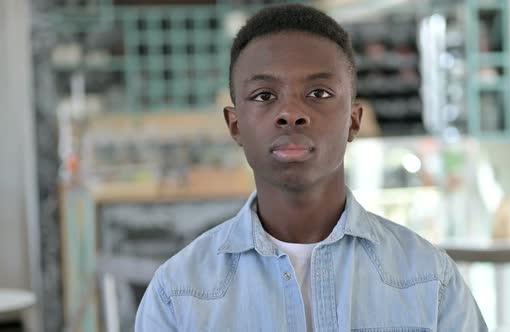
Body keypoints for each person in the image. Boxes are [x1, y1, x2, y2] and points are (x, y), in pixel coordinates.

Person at [135, 4, 488, 331]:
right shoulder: (178, 294)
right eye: (264, 95)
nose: (291, 113)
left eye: (318, 93)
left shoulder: (430, 281)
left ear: (353, 121)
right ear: (235, 125)